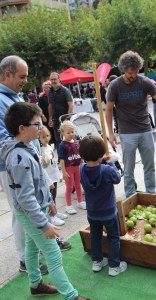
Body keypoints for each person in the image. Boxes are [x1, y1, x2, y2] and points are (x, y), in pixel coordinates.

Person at [0, 102, 89, 300]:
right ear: (22, 128)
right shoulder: (18, 157)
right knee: (53, 253)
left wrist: (49, 200)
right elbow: (25, 197)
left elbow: (38, 180)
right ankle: (71, 295)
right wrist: (43, 224)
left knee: (31, 249)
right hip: (30, 214)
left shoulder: (27, 148)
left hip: (35, 210)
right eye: (37, 124)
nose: (41, 128)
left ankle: (35, 284)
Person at [0, 55, 48, 274]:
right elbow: (5, 137)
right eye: (22, 76)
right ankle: (24, 260)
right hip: (13, 167)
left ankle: (35, 252)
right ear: (7, 74)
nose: (25, 81)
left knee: (33, 207)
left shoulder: (14, 96)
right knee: (21, 212)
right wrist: (25, 148)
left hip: (28, 161)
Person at [106, 51, 156, 197]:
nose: (133, 75)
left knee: (149, 166)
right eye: (129, 73)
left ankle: (151, 194)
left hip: (145, 130)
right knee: (128, 167)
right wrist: (110, 133)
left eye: (135, 71)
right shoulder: (115, 86)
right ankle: (130, 195)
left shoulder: (144, 81)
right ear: (123, 70)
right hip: (127, 132)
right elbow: (109, 110)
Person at [79, 135, 127, 276]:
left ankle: (97, 262)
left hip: (92, 212)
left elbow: (92, 168)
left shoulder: (81, 168)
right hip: (108, 212)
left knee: (95, 236)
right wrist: (110, 162)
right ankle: (114, 266)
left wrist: (103, 162)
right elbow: (117, 178)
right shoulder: (107, 170)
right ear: (101, 153)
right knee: (113, 237)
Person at [39, 126, 68, 226]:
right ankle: (51, 216)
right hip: (48, 178)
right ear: (39, 138)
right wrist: (48, 181)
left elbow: (54, 163)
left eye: (47, 135)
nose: (46, 138)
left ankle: (55, 212)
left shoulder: (50, 147)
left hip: (53, 176)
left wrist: (58, 175)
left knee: (54, 195)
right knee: (49, 196)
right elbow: (43, 166)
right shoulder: (40, 150)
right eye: (43, 137)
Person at [58, 120, 86, 215]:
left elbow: (80, 154)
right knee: (69, 187)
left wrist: (82, 163)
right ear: (62, 133)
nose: (71, 134)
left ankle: (80, 201)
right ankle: (69, 205)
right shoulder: (62, 145)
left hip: (77, 167)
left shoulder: (77, 142)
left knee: (78, 185)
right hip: (69, 168)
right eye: (68, 132)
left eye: (72, 132)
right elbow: (61, 160)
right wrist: (64, 172)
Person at [48, 72, 74, 154]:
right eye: (51, 79)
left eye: (55, 79)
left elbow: (71, 104)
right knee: (58, 140)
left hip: (65, 119)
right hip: (55, 119)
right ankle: (61, 159)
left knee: (68, 139)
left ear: (59, 79)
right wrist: (50, 118)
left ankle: (71, 156)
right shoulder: (50, 92)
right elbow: (50, 106)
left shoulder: (65, 90)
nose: (53, 81)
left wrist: (67, 118)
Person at [38, 80, 55, 145]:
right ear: (43, 89)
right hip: (45, 115)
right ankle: (50, 142)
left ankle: (56, 142)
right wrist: (42, 116)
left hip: (53, 114)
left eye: (49, 87)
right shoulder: (41, 97)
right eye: (46, 88)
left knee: (54, 128)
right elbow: (39, 108)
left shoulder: (53, 95)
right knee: (48, 129)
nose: (47, 89)